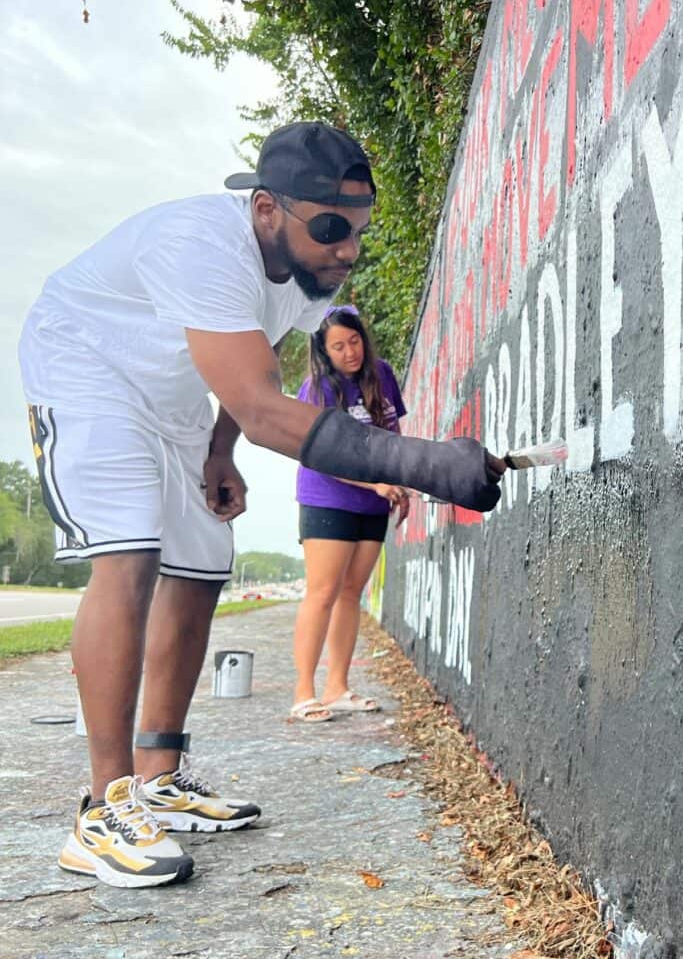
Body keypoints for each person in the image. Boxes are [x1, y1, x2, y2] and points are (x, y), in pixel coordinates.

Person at [19, 120, 505, 889]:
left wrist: (217, 453)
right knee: (131, 555)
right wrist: (423, 463)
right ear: (267, 208)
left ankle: (157, 780)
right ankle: (102, 810)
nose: (347, 248)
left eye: (358, 229)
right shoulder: (201, 245)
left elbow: (255, 364)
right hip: (88, 370)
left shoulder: (306, 269)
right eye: (331, 228)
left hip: (174, 394)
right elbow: (261, 404)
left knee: (203, 563)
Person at [291, 305, 409, 723]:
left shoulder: (383, 375)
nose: (349, 352)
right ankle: (304, 693)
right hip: (327, 497)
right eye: (338, 346)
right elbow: (324, 454)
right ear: (324, 352)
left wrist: (401, 483)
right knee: (322, 592)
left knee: (350, 593)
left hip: (374, 501)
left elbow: (392, 436)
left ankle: (337, 688)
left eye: (354, 341)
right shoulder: (318, 389)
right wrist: (375, 483)